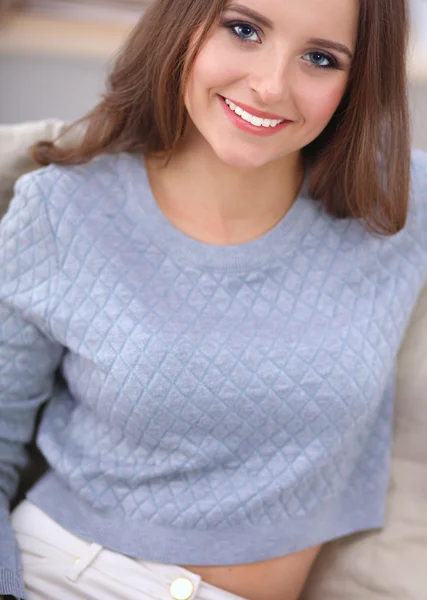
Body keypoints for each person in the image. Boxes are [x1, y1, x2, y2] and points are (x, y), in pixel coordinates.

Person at [0, 0, 426, 599]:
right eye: (244, 29)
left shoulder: (396, 207)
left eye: (320, 58)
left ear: (357, 83)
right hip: (65, 575)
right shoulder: (62, 208)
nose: (271, 85)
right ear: (186, 22)